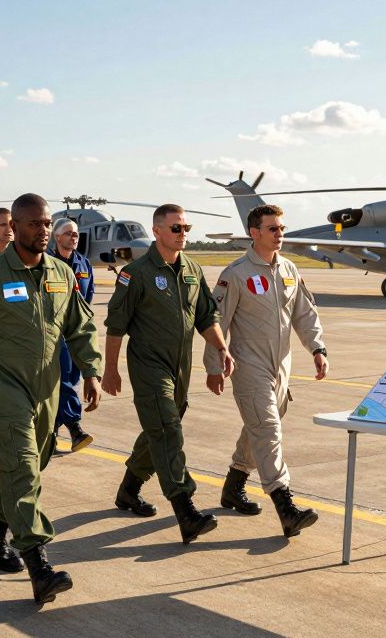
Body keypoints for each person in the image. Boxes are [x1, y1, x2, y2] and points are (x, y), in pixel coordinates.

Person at [0, 193, 102, 604]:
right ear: (14, 227)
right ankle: (39, 565)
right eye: (34, 223)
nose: (44, 230)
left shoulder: (61, 273)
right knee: (23, 470)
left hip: (47, 391)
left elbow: (80, 326)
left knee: (28, 466)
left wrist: (91, 370)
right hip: (4, 390)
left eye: (47, 223)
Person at [102, 203, 234, 545]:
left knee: (159, 428)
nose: (183, 234)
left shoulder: (192, 268)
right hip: (149, 365)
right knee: (167, 429)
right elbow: (116, 325)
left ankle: (129, 489)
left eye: (186, 228)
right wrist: (110, 370)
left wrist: (222, 349)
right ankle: (185, 508)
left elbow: (206, 316)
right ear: (157, 231)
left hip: (180, 367)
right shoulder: (136, 273)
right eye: (176, 228)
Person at [205, 204, 326, 538]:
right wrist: (214, 366)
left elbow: (304, 313)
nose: (279, 234)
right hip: (248, 365)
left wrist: (318, 349)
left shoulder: (289, 269)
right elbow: (216, 322)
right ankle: (286, 507)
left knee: (259, 426)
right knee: (268, 429)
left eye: (282, 228)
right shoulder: (235, 274)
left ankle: (234, 486)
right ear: (254, 233)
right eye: (272, 229)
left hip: (281, 366)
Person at [47, 217, 96, 451]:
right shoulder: (47, 263)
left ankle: (52, 433)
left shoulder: (84, 264)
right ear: (57, 237)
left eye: (76, 233)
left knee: (72, 380)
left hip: (77, 334)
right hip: (55, 335)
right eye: (69, 233)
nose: (74, 237)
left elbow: (88, 296)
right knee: (63, 381)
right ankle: (74, 426)